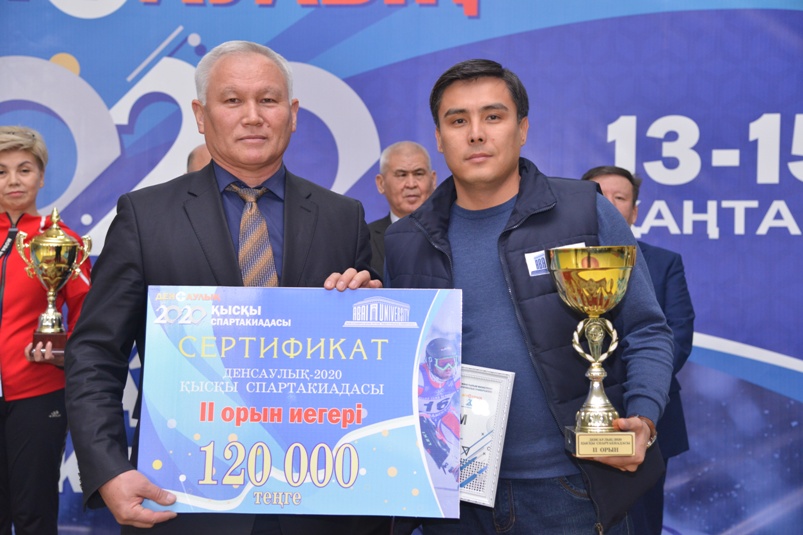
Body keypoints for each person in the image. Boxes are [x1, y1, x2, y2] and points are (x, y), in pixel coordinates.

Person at [64, 41, 384, 535]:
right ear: (200, 114)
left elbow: (367, 363)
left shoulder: (344, 217)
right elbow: (95, 353)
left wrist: (368, 311)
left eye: (268, 100)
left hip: (319, 500)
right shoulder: (144, 217)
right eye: (232, 100)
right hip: (185, 498)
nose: (253, 116)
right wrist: (108, 469)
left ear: (293, 114)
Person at [383, 59, 674, 534]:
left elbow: (646, 328)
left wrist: (643, 414)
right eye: (458, 120)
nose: (476, 133)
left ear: (522, 129)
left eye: (493, 116)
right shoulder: (405, 240)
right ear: (438, 137)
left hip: (570, 489)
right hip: (454, 493)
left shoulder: (585, 211)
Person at [582, 165, 695, 535]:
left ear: (634, 211)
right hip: (572, 415)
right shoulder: (556, 262)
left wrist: (636, 390)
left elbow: (676, 336)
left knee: (642, 522)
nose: (609, 205)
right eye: (599, 196)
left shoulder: (664, 263)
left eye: (620, 198)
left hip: (648, 415)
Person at [0, 126, 91, 535]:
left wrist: (63, 349)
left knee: (33, 513)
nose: (13, 180)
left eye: (24, 169)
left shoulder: (61, 240)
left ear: (41, 177)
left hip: (37, 392)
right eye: (1, 171)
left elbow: (90, 315)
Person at [369, 141, 437, 276]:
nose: (411, 184)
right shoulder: (365, 240)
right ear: (381, 183)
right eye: (401, 175)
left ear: (433, 180)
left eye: (419, 174)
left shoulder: (453, 232)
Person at [418, 338, 461, 481]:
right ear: (431, 362)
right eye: (443, 363)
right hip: (422, 422)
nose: (448, 368)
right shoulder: (420, 379)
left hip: (444, 416)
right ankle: (454, 467)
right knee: (422, 422)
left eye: (452, 362)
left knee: (459, 426)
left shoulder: (456, 376)